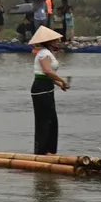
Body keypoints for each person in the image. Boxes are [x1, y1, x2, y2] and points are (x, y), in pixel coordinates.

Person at [29, 25, 70, 155]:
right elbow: (47, 71)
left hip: (46, 86)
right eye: (56, 40)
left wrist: (59, 84)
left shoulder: (47, 53)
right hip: (41, 88)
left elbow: (46, 75)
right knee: (45, 119)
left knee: (51, 119)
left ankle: (50, 150)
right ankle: (42, 151)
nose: (58, 42)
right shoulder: (44, 53)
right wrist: (63, 80)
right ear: (49, 41)